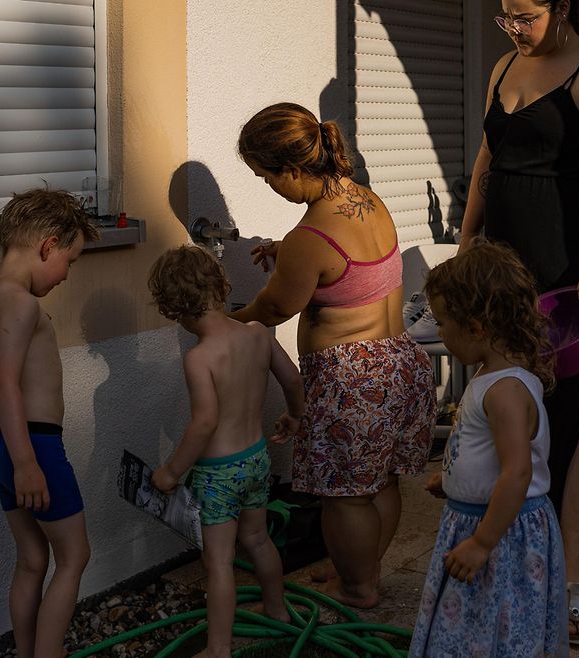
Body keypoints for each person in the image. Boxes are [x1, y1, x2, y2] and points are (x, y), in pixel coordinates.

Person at [457, 0, 579, 643]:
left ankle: (575, 581)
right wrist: (466, 241)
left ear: (562, 6)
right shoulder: (504, 65)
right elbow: (487, 160)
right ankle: (506, 553)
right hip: (504, 265)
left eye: (527, 14)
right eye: (505, 14)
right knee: (513, 406)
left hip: (571, 264)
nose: (513, 28)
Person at [229, 102, 436, 609]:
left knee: (345, 496)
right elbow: (348, 267)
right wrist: (292, 255)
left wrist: (224, 321)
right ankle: (362, 569)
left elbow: (275, 306)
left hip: (351, 379)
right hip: (398, 364)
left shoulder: (309, 237)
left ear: (294, 170)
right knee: (378, 482)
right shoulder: (368, 200)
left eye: (266, 178)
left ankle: (358, 588)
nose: (268, 187)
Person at [409, 240, 569, 657]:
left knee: (497, 624)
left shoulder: (506, 391)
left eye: (444, 323)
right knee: (472, 624)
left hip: (501, 532)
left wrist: (482, 543)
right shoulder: (490, 377)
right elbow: (488, 453)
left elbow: (517, 472)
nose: (439, 332)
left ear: (477, 328)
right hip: (479, 518)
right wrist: (455, 480)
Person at [147, 245, 303, 658]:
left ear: (175, 309)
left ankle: (218, 648)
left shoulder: (200, 357)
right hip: (255, 459)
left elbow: (204, 423)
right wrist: (295, 416)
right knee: (257, 539)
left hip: (218, 472)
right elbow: (292, 379)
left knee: (218, 562)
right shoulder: (256, 333)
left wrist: (170, 472)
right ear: (219, 287)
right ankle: (277, 610)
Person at [0, 188, 99, 658]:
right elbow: (2, 386)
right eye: (70, 261)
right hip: (32, 449)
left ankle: (26, 652)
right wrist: (27, 464)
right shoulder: (20, 304)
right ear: (48, 245)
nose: (65, 275)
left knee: (32, 558)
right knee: (75, 556)